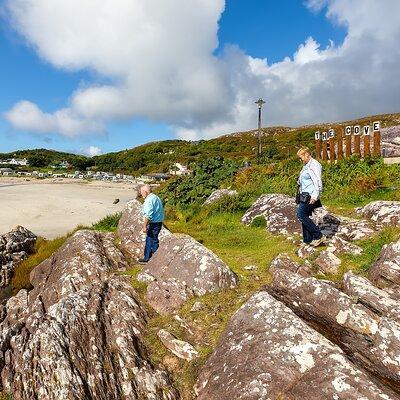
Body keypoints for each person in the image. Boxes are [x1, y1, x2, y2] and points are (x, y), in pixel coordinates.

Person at [296, 147, 326, 246]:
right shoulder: (306, 165)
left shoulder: (314, 165)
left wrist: (315, 196)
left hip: (310, 195)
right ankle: (307, 240)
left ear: (307, 154)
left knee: (301, 214)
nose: (300, 160)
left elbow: (317, 181)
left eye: (301, 157)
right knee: (306, 215)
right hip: (304, 194)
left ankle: (318, 236)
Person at [138, 184, 164, 264]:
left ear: (145, 192)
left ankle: (149, 259)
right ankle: (150, 258)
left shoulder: (149, 200)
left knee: (151, 240)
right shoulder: (155, 197)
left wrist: (144, 226)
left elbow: (148, 215)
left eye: (141, 192)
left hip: (154, 223)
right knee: (152, 239)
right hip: (158, 222)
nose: (141, 193)